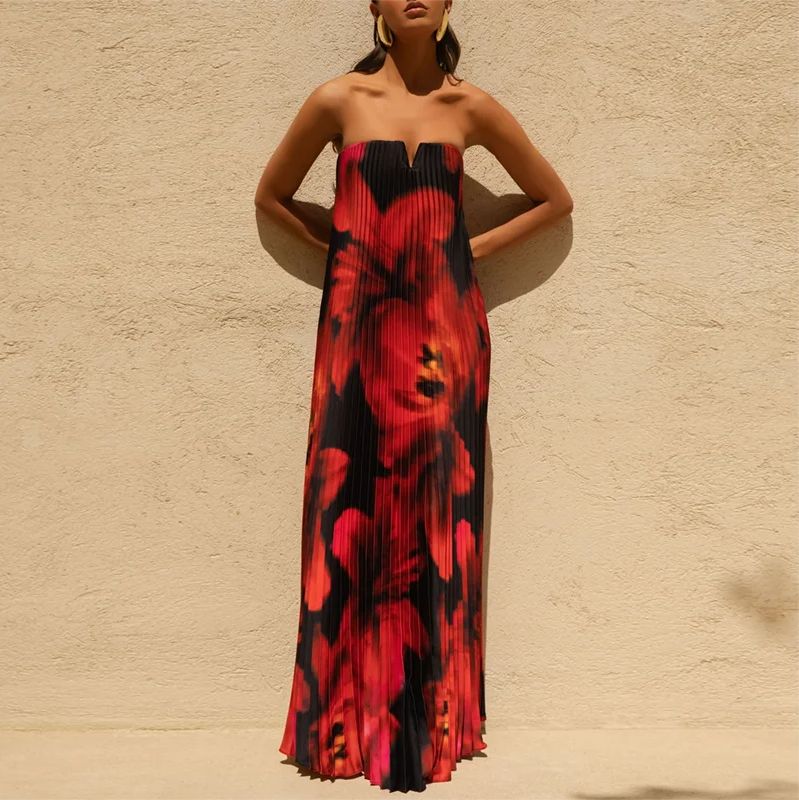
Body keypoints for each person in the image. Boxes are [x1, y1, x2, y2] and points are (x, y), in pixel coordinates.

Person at [255, 0, 573, 792]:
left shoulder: (470, 106)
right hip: (357, 330)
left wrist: (462, 250)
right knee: (346, 509)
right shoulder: (338, 100)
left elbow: (553, 200)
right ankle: (340, 720)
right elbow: (272, 197)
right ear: (373, 4)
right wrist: (357, 243)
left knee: (438, 516)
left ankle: (432, 720)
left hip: (444, 332)